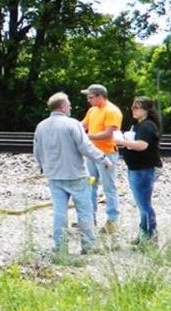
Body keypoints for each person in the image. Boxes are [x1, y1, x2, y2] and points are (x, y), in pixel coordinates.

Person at [33, 91, 110, 257]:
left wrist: (43, 167)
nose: (70, 107)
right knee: (84, 211)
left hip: (54, 176)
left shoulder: (41, 126)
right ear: (62, 106)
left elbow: (37, 151)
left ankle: (60, 247)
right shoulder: (72, 124)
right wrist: (102, 158)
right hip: (76, 175)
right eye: (68, 104)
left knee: (59, 212)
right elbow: (85, 146)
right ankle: (88, 245)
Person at [115, 96, 163, 246]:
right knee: (141, 203)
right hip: (136, 168)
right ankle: (144, 233)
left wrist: (122, 142)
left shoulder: (147, 126)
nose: (133, 110)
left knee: (144, 204)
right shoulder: (139, 125)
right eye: (133, 107)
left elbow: (142, 145)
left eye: (137, 107)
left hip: (143, 169)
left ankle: (150, 235)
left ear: (146, 110)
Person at [80, 83, 123, 233]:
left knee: (108, 187)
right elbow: (83, 125)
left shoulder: (112, 111)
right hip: (91, 153)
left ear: (100, 97)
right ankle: (89, 218)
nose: (88, 100)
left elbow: (109, 134)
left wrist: (86, 136)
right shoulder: (92, 110)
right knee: (89, 185)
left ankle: (112, 221)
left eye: (90, 97)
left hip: (107, 153)